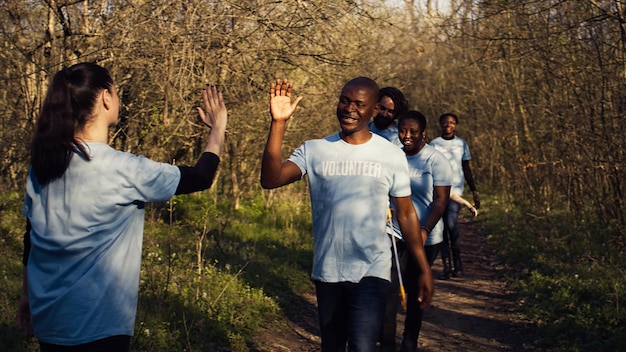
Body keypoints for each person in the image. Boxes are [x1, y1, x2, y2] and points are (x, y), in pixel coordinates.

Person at [17, 62, 227, 352]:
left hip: (49, 322)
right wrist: (219, 127)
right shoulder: (123, 169)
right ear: (105, 97)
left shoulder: (42, 165)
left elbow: (31, 237)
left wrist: (26, 296)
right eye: (115, 92)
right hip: (99, 327)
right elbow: (202, 176)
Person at [260, 77, 434, 352]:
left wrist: (423, 268)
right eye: (344, 100)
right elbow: (271, 179)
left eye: (359, 104)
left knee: (363, 346)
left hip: (372, 268)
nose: (349, 109)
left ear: (374, 109)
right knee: (332, 346)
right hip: (329, 269)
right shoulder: (315, 149)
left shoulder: (390, 155)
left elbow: (406, 214)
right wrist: (278, 124)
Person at [379, 111, 453, 352]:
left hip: (427, 236)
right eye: (403, 131)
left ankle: (410, 341)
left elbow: (440, 202)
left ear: (424, 133)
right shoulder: (393, 156)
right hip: (395, 231)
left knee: (415, 288)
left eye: (413, 132)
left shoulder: (436, 161)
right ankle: (386, 341)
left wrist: (424, 228)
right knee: (389, 286)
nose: (407, 136)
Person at [429, 112, 479, 279]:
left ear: (455, 125)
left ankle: (458, 265)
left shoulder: (461, 144)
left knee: (452, 225)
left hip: (456, 190)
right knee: (441, 228)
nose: (448, 125)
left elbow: (466, 167)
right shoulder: (434, 144)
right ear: (441, 124)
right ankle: (446, 266)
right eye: (445, 122)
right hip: (438, 191)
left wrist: (474, 191)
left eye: (451, 122)